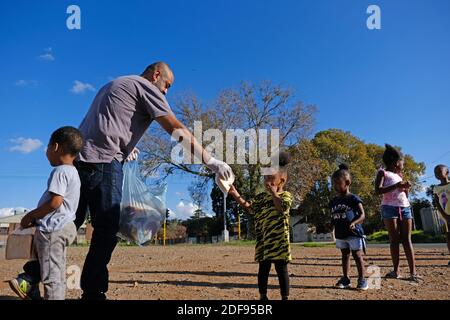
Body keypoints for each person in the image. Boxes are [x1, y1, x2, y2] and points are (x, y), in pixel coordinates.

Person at [11, 62, 233, 300]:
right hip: (104, 163)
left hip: (78, 163)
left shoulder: (116, 84)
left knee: (66, 224)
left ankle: (29, 278)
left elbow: (107, 123)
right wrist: (212, 162)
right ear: (156, 75)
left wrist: (127, 147)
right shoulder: (145, 87)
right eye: (167, 85)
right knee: (107, 229)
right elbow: (176, 128)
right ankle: (93, 293)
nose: (166, 92)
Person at [9, 127, 84, 300]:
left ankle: (39, 289)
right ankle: (29, 286)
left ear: (55, 147)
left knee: (52, 277)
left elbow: (55, 202)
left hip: (53, 229)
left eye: (47, 147)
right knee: (50, 267)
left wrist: (32, 216)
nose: (47, 151)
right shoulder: (73, 172)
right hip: (63, 226)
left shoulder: (60, 171)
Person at [228, 151, 293, 300]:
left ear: (282, 180)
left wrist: (274, 194)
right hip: (264, 242)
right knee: (263, 269)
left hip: (279, 242)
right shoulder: (261, 198)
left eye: (271, 178)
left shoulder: (286, 196)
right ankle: (263, 296)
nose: (267, 181)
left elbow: (282, 208)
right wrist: (235, 194)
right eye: (265, 178)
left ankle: (285, 297)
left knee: (281, 270)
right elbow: (250, 208)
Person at [375, 144, 421, 282]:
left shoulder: (399, 175)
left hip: (404, 208)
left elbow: (402, 194)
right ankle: (396, 271)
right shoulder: (382, 172)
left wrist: (406, 188)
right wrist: (397, 186)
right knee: (394, 241)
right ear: (396, 162)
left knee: (407, 239)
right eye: (402, 162)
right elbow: (378, 190)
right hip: (389, 208)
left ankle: (413, 273)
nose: (403, 164)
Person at [329, 164, 368, 290]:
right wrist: (330, 225)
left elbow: (362, 215)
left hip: (354, 233)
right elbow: (334, 216)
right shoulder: (333, 201)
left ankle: (362, 280)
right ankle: (346, 279)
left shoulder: (353, 198)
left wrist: (354, 223)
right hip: (341, 234)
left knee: (357, 255)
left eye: (337, 183)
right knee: (344, 255)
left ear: (347, 182)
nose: (334, 186)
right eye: (333, 183)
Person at [432, 164, 450, 265]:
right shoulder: (436, 188)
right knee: (448, 237)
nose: (437, 174)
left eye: (439, 171)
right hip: (444, 217)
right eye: (435, 173)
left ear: (447, 173)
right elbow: (437, 203)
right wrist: (444, 215)